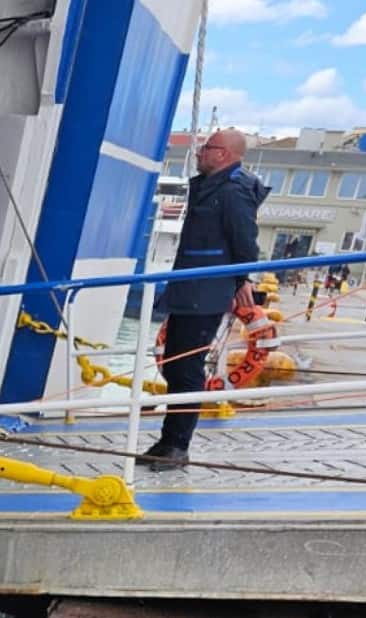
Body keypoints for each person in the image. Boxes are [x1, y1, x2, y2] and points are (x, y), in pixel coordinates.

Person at [143, 129, 268, 470]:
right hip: (190, 287)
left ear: (224, 154)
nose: (199, 152)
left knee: (186, 368)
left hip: (206, 292)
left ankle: (177, 445)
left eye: (207, 147)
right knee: (174, 364)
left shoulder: (233, 192)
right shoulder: (211, 186)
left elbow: (245, 241)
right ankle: (168, 440)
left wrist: (241, 280)